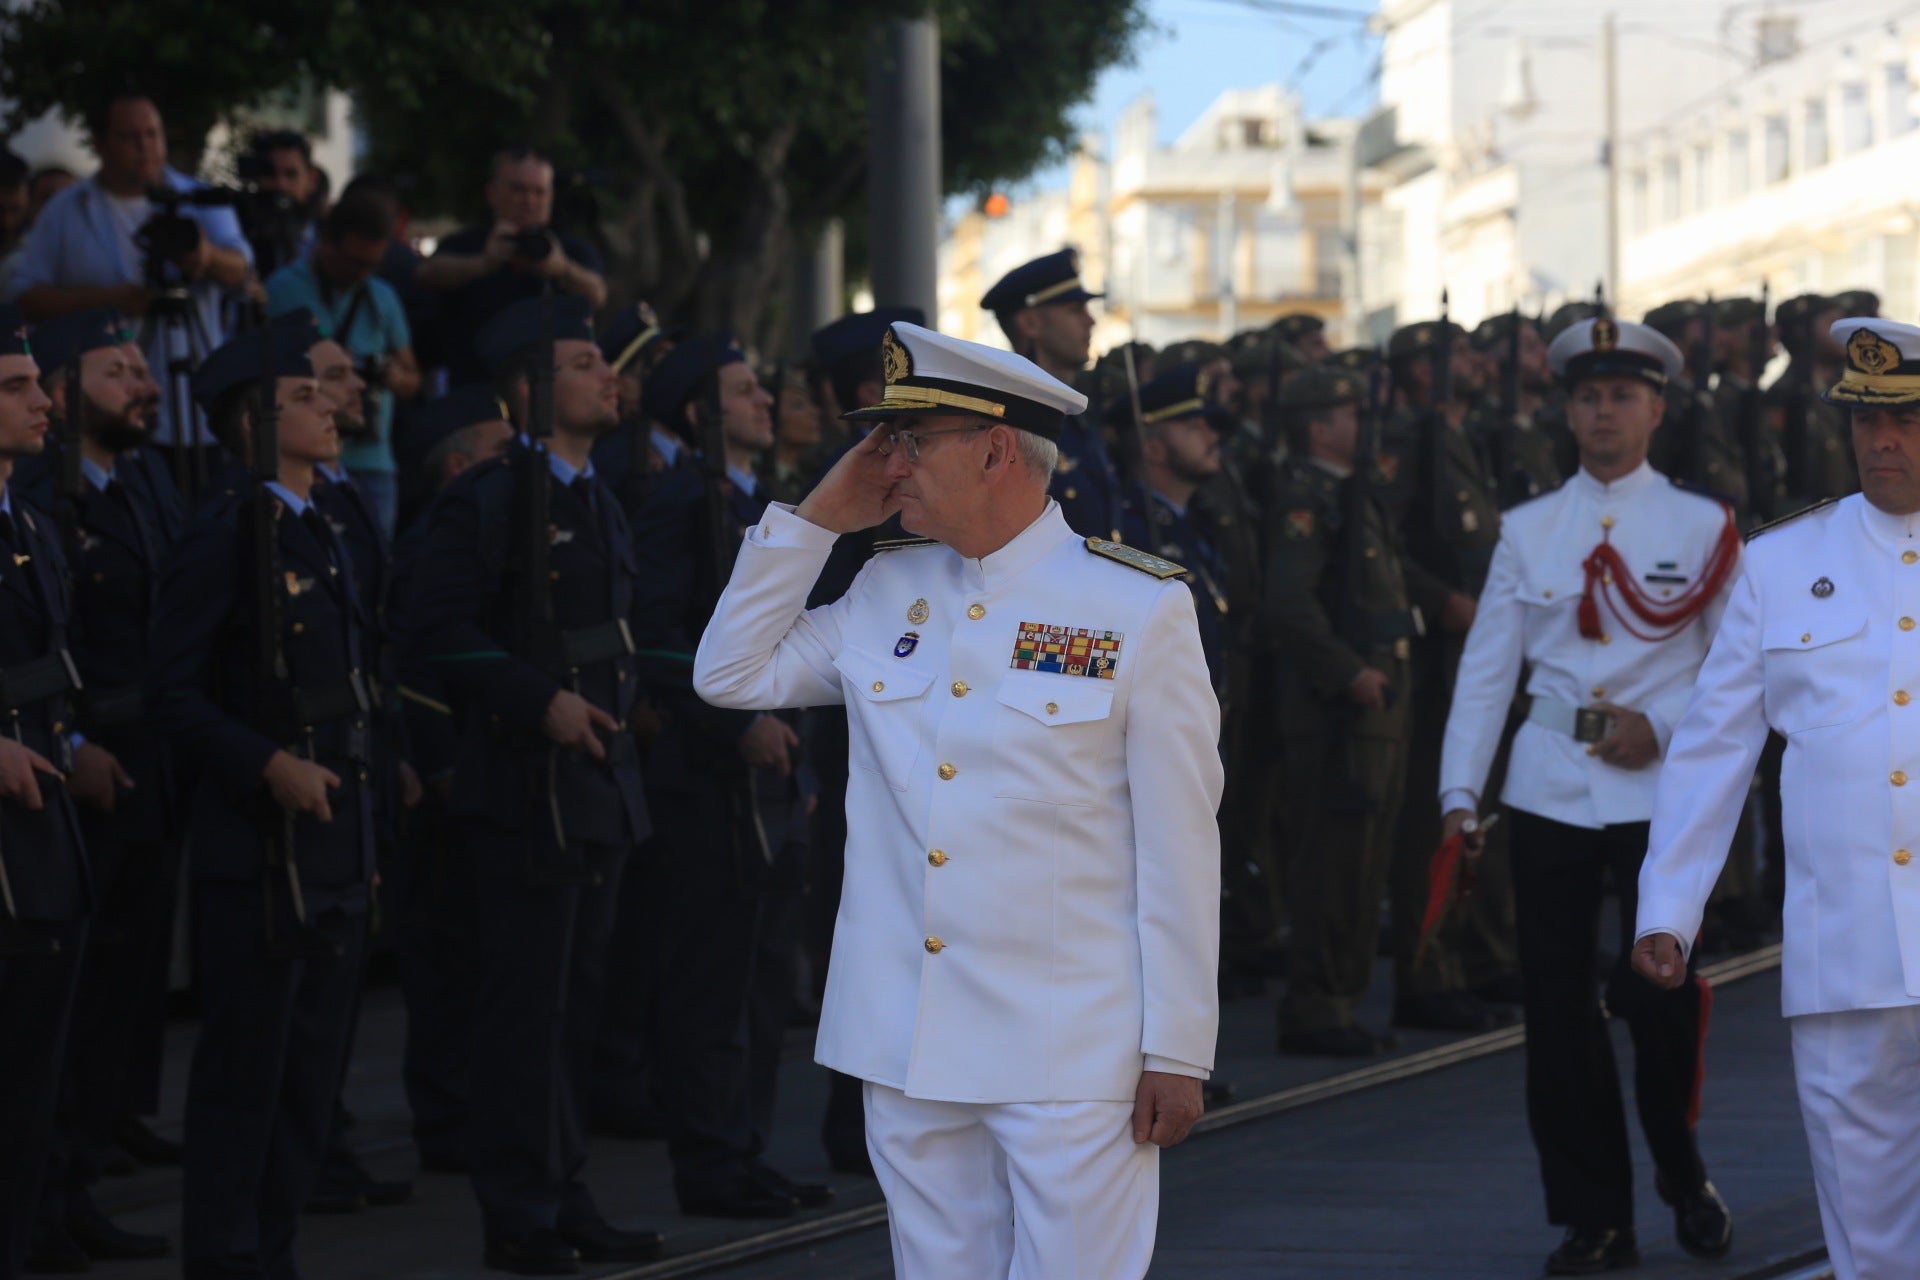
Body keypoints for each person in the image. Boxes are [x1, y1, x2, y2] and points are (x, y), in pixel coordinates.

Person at [694, 320, 1222, 1279]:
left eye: (911, 439)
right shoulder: (885, 589)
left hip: (1072, 1049)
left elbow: (1180, 847)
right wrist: (814, 520)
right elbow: (729, 675)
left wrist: (1178, 1046)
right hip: (910, 1037)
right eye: (884, 440)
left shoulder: (1136, 605)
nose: (886, 463)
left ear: (993, 449)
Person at [1438, 315, 1740, 1275]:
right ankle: (1595, 1216)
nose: (1602, 412)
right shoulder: (1530, 530)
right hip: (1550, 788)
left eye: (1621, 396)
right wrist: (1458, 794)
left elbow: (1736, 668)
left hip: (1661, 788)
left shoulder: (1703, 526)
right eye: (1586, 396)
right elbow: (1489, 670)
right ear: (1566, 411)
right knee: (1559, 1017)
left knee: (1657, 998)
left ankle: (1682, 1170)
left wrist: (1668, 722)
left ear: (1657, 407)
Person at [1633, 314, 1920, 1280]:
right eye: (1867, 421)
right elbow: (1715, 748)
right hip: (1847, 952)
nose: (1884, 441)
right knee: (1869, 1231)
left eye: (1910, 419)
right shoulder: (1784, 563)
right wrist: (1669, 908)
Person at [406, 295, 661, 1274]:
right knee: (525, 1011)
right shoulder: (491, 496)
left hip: (595, 788)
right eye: (587, 361)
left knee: (575, 1007)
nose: (611, 376)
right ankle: (518, 1207)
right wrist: (532, 699)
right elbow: (435, 629)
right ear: (528, 388)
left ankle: (563, 1186)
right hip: (526, 791)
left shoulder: (591, 492)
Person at [146, 323, 374, 1280]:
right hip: (259, 844)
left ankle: (270, 1254)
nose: (328, 406)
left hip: (332, 840)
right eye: (303, 396)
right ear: (253, 420)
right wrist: (261, 763)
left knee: (307, 1081)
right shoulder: (227, 528)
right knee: (247, 1079)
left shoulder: (326, 521)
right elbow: (172, 692)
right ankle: (226, 1258)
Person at [620, 335, 828, 1219]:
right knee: (712, 981)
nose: (763, 404)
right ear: (700, 414)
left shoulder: (759, 502)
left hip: (775, 772)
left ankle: (744, 1149)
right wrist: (736, 719)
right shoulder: (680, 501)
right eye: (743, 392)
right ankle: (709, 1159)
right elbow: (657, 634)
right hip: (710, 777)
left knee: (762, 981)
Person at [14, 309, 175, 1270]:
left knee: (119, 982)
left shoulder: (139, 483)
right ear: (66, 390)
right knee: (60, 1007)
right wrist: (75, 738)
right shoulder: (44, 494)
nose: (143, 386)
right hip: (72, 762)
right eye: (119, 372)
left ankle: (85, 1160)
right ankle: (48, 1196)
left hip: (142, 756)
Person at [1265, 366, 1473, 1056]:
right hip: (1339, 711)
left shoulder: (1352, 495)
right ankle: (1317, 1002)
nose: (1365, 426)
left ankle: (1340, 1000)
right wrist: (1349, 671)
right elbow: (1289, 603)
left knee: (1369, 859)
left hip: (1379, 705)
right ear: (1319, 426)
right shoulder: (1308, 499)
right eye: (1349, 415)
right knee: (1335, 864)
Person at [386, 389, 515, 1175]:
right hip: (447, 774)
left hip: (483, 770)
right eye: (502, 450)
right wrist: (435, 761)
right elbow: (417, 661)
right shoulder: (435, 539)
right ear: (460, 465)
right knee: (443, 958)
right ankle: (444, 1116)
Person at [7, 91, 252, 483]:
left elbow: (245, 275)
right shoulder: (67, 209)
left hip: (198, 410)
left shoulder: (198, 199)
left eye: (153, 134)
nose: (145, 147)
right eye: (130, 137)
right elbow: (26, 298)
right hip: (110, 417)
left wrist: (204, 255)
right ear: (100, 143)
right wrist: (111, 301)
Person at [0, 303, 90, 1280]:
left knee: (28, 1088)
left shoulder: (26, 517)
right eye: (17, 387)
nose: (41, 401)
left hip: (41, 840)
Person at [267, 186, 423, 534]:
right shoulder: (282, 290)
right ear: (327, 241)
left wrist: (386, 373)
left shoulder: (382, 297)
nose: (362, 274)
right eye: (354, 262)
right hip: (303, 455)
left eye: (372, 264)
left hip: (371, 458)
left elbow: (413, 380)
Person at [416, 147, 608, 384]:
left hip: (554, 393)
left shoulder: (571, 250)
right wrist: (482, 264)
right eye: (518, 190)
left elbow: (597, 295)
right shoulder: (465, 244)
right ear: (492, 192)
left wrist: (562, 269)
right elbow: (426, 275)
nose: (529, 201)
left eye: (539, 192)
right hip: (477, 389)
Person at [981, 248, 1119, 540]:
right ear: (1030, 323)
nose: (1090, 321)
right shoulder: (1008, 422)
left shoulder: (1074, 416)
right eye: (1074, 310)